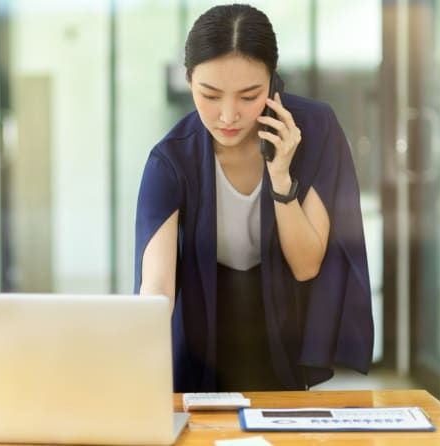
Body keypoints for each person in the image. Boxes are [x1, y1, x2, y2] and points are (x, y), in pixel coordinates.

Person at [134, 4, 373, 392]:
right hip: (202, 322)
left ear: (273, 80)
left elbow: (306, 265)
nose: (228, 116)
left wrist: (280, 176)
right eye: (209, 95)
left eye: (249, 96)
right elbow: (157, 288)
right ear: (188, 80)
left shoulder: (316, 129)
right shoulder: (171, 159)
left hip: (278, 319)